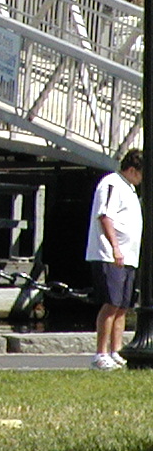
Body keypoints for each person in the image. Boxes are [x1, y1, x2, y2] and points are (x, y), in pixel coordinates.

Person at [87, 150, 143, 370]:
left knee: (123, 306)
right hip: (110, 254)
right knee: (111, 303)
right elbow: (105, 216)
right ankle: (100, 353)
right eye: (141, 173)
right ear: (132, 170)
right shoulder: (112, 183)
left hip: (129, 256)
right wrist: (115, 247)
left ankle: (116, 351)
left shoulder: (130, 189)